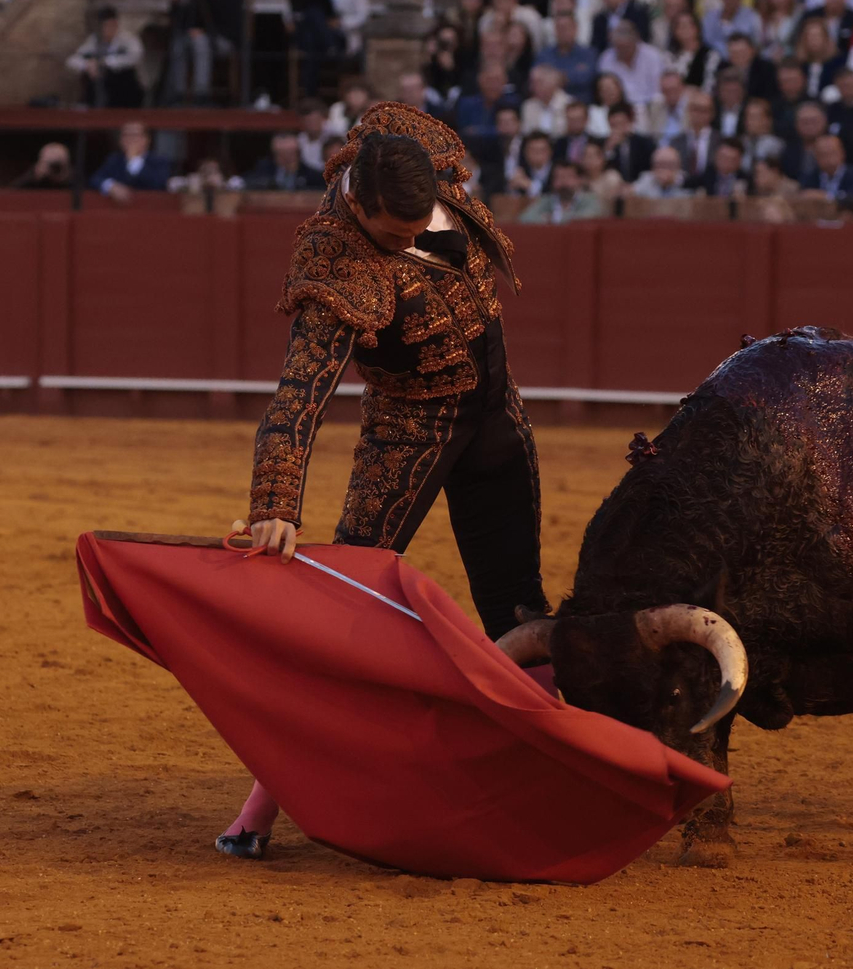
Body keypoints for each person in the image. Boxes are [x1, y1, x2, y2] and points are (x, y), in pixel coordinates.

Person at [231, 106, 549, 859]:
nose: (407, 241)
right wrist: (276, 503)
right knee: (346, 614)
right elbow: (298, 396)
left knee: (520, 604)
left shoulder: (417, 149)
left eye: (418, 227)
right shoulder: (334, 263)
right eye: (393, 235)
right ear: (360, 205)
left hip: (495, 413)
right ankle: (257, 814)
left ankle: (551, 771)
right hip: (409, 432)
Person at [286, 0, 371, 97]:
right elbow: (290, 10)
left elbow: (363, 14)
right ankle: (328, 46)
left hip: (340, 34)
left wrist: (340, 23)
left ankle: (310, 95)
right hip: (308, 32)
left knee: (312, 40)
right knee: (312, 13)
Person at [164, 0, 245, 105]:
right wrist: (176, 1)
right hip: (199, 38)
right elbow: (182, 18)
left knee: (200, 42)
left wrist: (206, 33)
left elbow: (234, 28)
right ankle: (178, 93)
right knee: (179, 42)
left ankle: (201, 94)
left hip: (224, 40)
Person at [66, 6, 145, 108]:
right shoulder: (94, 41)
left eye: (111, 25)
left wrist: (103, 62)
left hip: (124, 92)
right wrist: (88, 65)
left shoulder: (127, 40)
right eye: (105, 26)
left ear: (116, 24)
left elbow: (135, 57)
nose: (108, 29)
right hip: (100, 91)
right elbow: (72, 60)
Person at [89, 122, 171, 203]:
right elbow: (95, 179)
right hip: (117, 209)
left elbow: (159, 184)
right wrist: (111, 186)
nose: (129, 139)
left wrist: (134, 161)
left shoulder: (159, 161)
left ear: (146, 139)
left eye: (134, 135)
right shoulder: (115, 160)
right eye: (126, 135)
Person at [519, 157, 609, 221]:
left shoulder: (590, 199)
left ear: (579, 180)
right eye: (559, 177)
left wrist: (553, 218)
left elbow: (588, 217)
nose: (564, 182)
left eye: (568, 177)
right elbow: (525, 218)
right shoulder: (547, 200)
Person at [536, 12, 600, 102]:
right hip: (549, 104)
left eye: (566, 28)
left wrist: (559, 78)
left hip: (581, 104)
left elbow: (588, 77)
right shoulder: (544, 54)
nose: (563, 32)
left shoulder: (589, 54)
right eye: (559, 28)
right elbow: (536, 78)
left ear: (575, 29)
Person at [245, 131, 326, 191]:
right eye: (281, 154)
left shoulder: (313, 176)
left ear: (298, 154)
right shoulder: (264, 171)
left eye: (290, 153)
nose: (287, 158)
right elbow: (245, 182)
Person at [800, 133, 853, 199]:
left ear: (842, 153)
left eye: (832, 153)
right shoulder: (811, 177)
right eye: (823, 154)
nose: (829, 158)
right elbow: (804, 194)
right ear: (816, 157)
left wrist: (826, 197)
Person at [630, 143, 694, 197]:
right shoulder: (646, 179)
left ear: (678, 167)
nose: (665, 170)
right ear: (653, 167)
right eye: (661, 165)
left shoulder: (685, 181)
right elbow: (631, 193)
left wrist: (671, 182)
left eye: (669, 165)